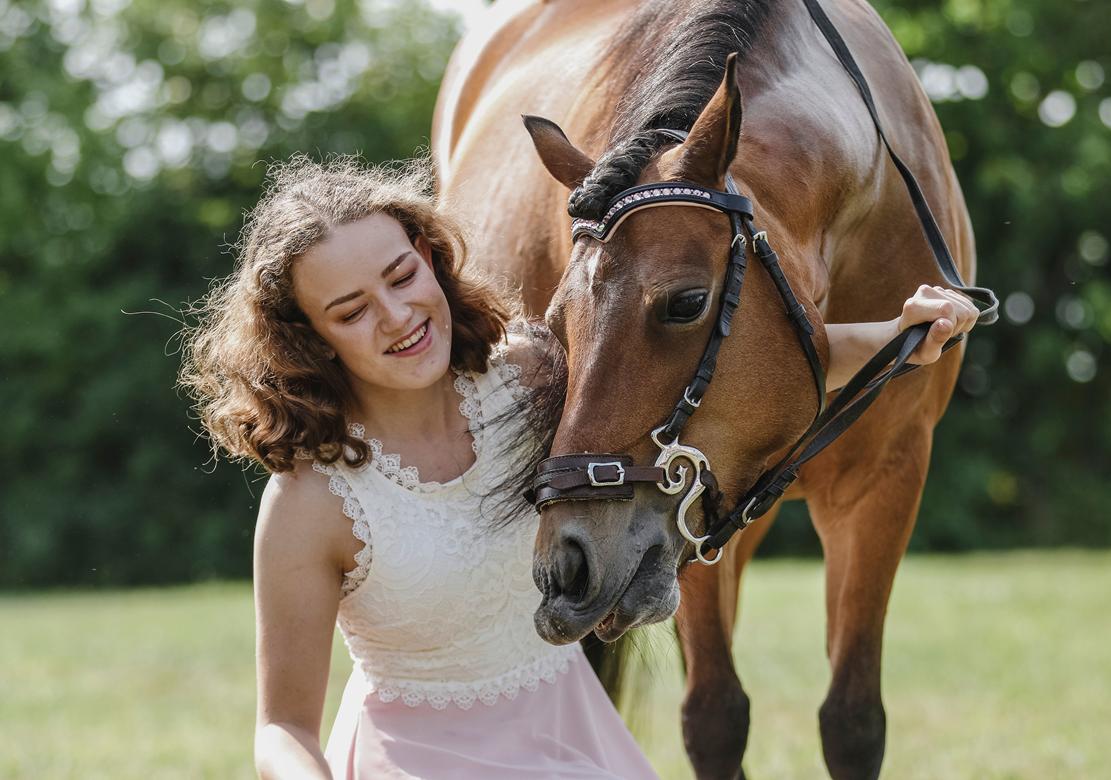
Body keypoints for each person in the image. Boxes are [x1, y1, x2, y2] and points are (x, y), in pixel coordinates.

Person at [179, 155, 978, 780]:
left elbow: (739, 368)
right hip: (413, 765)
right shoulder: (311, 503)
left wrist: (900, 333)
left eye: (401, 277)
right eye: (351, 311)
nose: (397, 317)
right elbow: (282, 728)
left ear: (428, 257)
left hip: (570, 739)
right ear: (311, 337)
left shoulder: (527, 380)